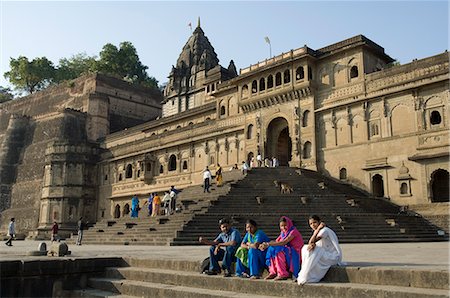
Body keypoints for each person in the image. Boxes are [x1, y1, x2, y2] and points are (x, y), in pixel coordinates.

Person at [297, 215, 343, 285]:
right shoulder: (318, 231)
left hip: (333, 256)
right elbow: (312, 243)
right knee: (305, 248)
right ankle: (306, 274)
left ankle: (306, 275)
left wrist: (317, 230)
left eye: (314, 222)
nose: (313, 225)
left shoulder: (324, 230)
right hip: (326, 254)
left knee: (312, 250)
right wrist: (313, 244)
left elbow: (311, 241)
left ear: (319, 222)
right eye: (311, 224)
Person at [260, 216, 304, 280]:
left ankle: (283, 273)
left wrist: (268, 244)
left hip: (296, 252)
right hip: (288, 251)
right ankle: (273, 272)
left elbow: (284, 242)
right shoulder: (283, 233)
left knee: (278, 249)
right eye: (281, 226)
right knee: (271, 249)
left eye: (285, 225)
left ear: (289, 224)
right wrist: (264, 244)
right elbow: (276, 241)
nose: (283, 228)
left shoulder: (293, 231)